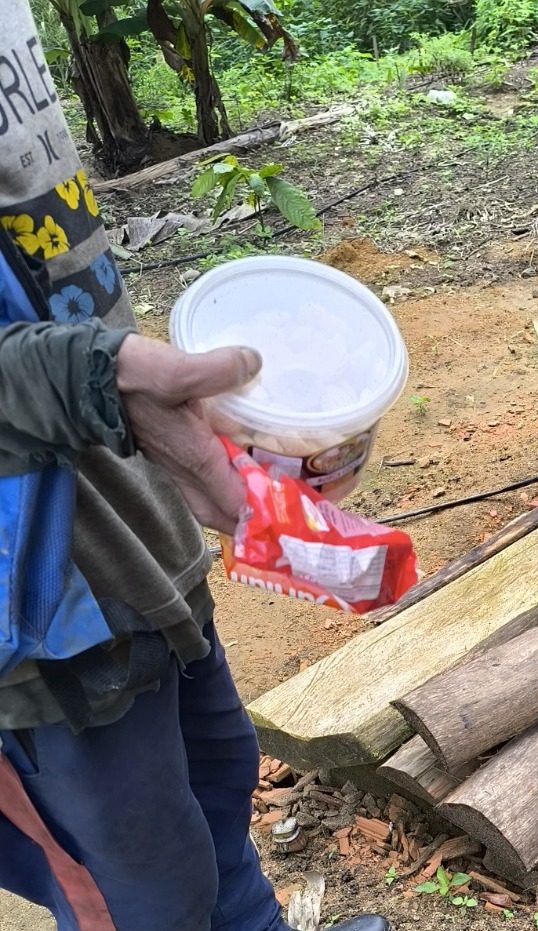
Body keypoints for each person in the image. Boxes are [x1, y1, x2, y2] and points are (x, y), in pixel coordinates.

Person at [0, 4, 388, 929]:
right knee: (145, 893)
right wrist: (101, 381)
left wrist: (170, 413)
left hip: (137, 531)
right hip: (41, 626)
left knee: (217, 791)